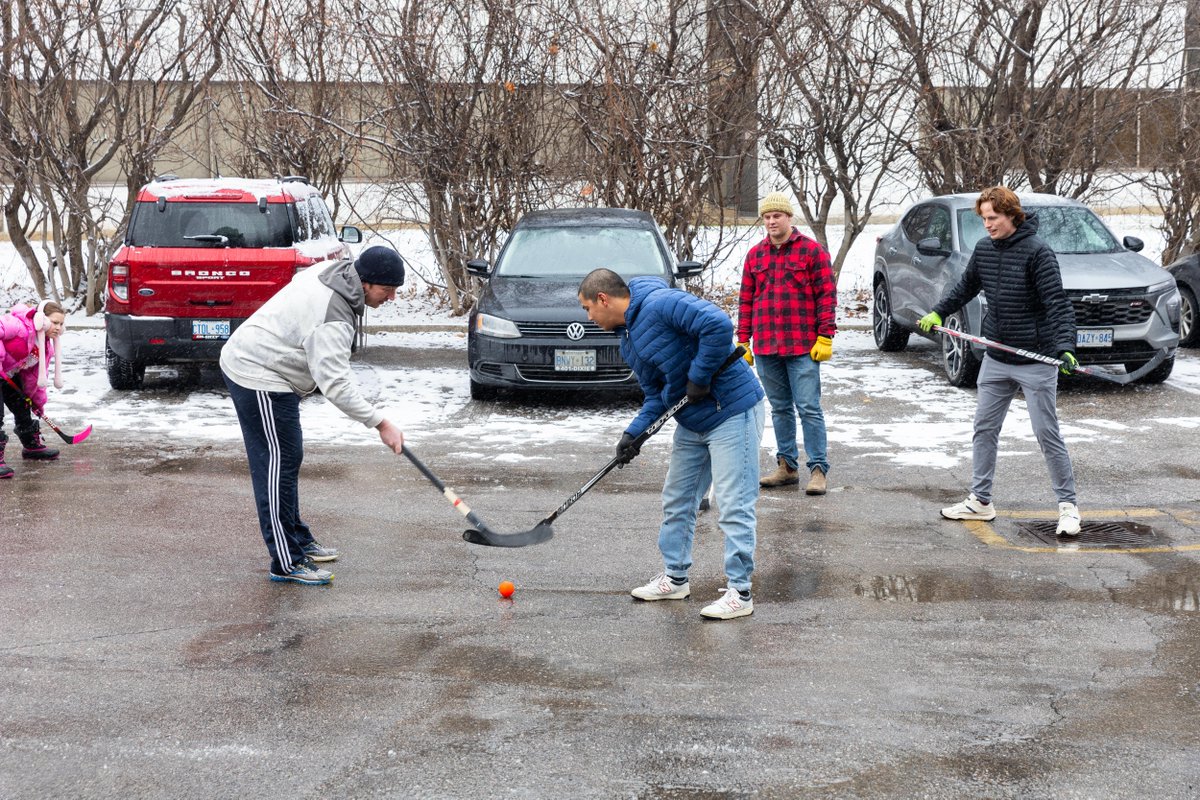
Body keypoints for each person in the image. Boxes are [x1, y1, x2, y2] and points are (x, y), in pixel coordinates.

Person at [578, 268, 766, 620]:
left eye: (588, 308)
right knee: (678, 499)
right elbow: (656, 396)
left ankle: (740, 593)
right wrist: (633, 434)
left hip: (732, 410)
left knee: (733, 503)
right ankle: (676, 579)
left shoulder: (660, 303)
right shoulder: (628, 339)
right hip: (693, 419)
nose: (588, 317)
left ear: (603, 299)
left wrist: (698, 377)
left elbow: (718, 326)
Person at [220, 246, 408, 585]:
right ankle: (286, 561)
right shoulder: (333, 316)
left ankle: (297, 538)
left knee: (287, 457)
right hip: (257, 372)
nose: (392, 297)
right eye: (387, 289)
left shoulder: (337, 273)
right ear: (365, 282)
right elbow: (335, 384)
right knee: (276, 463)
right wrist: (381, 423)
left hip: (273, 371)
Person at [918, 186, 1082, 537]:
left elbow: (1057, 303)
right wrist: (938, 312)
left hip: (1035, 358)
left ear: (1011, 215)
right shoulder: (984, 249)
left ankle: (1068, 507)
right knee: (984, 429)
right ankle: (980, 500)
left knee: (1046, 433)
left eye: (992, 218)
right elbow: (965, 287)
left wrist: (1065, 345)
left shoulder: (1038, 253)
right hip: (996, 354)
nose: (987, 225)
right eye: (984, 219)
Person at [736, 191, 837, 496]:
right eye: (766, 217)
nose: (771, 221)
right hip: (767, 345)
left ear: (789, 217)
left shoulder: (812, 252)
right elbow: (746, 300)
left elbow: (827, 296)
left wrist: (825, 335)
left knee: (808, 407)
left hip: (803, 345)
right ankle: (787, 467)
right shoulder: (755, 255)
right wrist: (743, 339)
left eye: (776, 216)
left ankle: (818, 469)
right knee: (780, 409)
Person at [1, 300, 67, 478]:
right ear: (42, 320)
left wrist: (37, 403)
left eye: (61, 324)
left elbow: (34, 379)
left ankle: (31, 446)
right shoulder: (19, 326)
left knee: (22, 407)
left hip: (8, 374)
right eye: (54, 322)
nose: (57, 328)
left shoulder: (44, 346)